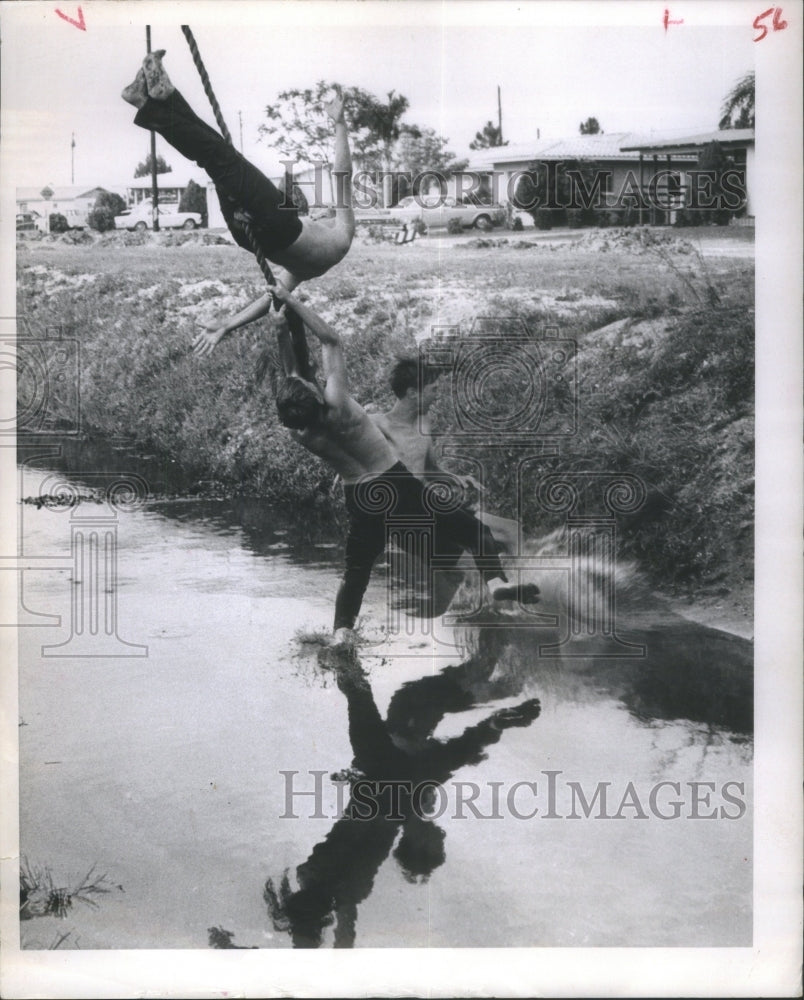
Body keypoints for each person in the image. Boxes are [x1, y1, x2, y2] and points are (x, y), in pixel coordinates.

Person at [264, 285, 540, 644]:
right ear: (316, 396)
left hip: (360, 497)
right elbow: (331, 341)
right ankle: (498, 583)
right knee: (475, 531)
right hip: (395, 482)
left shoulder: (303, 433)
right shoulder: (338, 404)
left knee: (357, 571)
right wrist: (291, 301)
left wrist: (281, 334)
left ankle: (342, 634)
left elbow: (293, 386)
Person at [121, 51, 355, 355]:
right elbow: (272, 298)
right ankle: (156, 99)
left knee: (218, 154)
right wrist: (228, 325)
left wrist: (340, 125)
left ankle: (153, 102)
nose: (325, 209)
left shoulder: (343, 233)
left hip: (278, 226)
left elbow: (342, 176)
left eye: (328, 210)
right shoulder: (309, 267)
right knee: (213, 155)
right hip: (248, 235)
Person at [372, 356, 518, 553]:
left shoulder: (424, 422)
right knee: (476, 556)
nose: (436, 396)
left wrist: (456, 478)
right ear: (413, 393)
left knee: (511, 530)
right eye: (433, 389)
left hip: (432, 508)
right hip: (404, 519)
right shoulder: (377, 425)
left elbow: (429, 469)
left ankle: (524, 582)